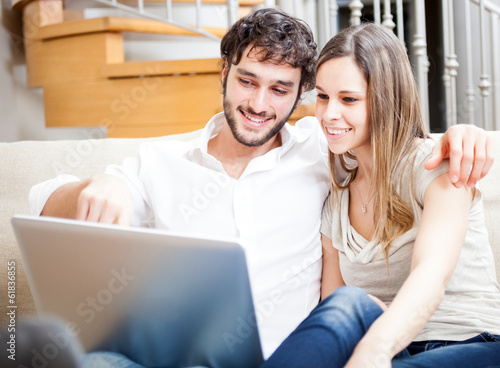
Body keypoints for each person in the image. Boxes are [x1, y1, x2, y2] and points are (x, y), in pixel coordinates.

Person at [28, 9, 494, 367]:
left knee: (350, 305)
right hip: (172, 357)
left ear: (297, 97)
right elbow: (42, 203)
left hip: (294, 353)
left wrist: (465, 133)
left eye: (279, 89)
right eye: (247, 80)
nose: (257, 103)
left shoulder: (321, 150)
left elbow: (398, 142)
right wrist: (99, 180)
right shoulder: (160, 162)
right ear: (223, 75)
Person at [316, 23, 500, 367]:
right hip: (388, 353)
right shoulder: (336, 198)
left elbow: (431, 274)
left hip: (468, 342)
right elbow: (333, 315)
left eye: (348, 99)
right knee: (346, 305)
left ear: (387, 99)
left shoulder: (436, 166)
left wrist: (373, 353)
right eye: (322, 96)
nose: (329, 114)